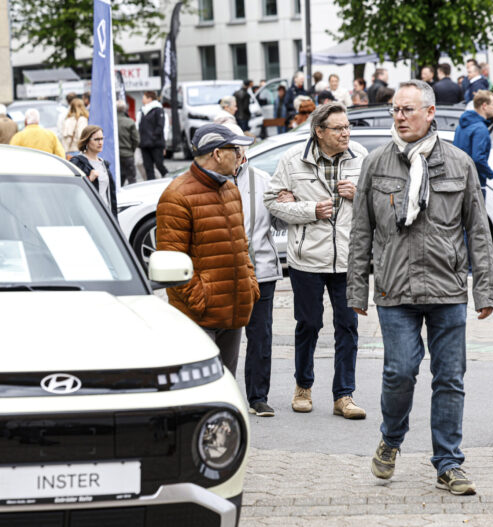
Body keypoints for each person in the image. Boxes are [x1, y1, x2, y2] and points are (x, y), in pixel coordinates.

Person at [347, 80, 493, 496]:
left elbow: (477, 231)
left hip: (448, 290)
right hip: (395, 291)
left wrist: (485, 290)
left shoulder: (459, 163)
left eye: (408, 110)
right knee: (400, 372)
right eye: (395, 109)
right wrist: (356, 290)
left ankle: (448, 463)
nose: (399, 116)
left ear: (430, 113)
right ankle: (391, 440)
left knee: (449, 378)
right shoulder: (376, 164)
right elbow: (361, 231)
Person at [264, 102, 368, 419]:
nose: (345, 133)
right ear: (319, 131)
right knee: (308, 325)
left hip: (349, 258)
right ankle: (303, 386)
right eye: (338, 128)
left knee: (348, 326)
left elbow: (380, 200)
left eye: (347, 127)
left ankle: (344, 396)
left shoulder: (361, 157)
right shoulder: (292, 160)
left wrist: (359, 192)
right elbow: (272, 201)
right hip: (307, 259)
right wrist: (309, 210)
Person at [156, 124, 258, 375]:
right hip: (200, 316)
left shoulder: (230, 190)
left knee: (227, 385)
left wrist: (249, 285)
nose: (240, 155)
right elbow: (172, 264)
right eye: (234, 149)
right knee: (202, 388)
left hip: (232, 311)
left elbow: (241, 246)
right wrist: (202, 300)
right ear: (216, 154)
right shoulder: (177, 196)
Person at [231, 130, 284, 417]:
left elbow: (280, 223)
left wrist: (287, 203)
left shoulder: (263, 181)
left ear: (241, 154)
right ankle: (223, 394)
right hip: (223, 273)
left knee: (260, 335)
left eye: (232, 150)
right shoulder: (208, 183)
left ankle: (258, 397)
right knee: (224, 337)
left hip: (260, 270)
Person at [454, 90, 493, 196]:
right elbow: (478, 159)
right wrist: (492, 174)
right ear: (484, 106)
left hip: (460, 181)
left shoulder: (461, 126)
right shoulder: (481, 129)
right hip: (476, 184)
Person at [69, 125, 117, 216]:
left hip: (106, 214)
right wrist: (88, 179)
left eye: (102, 139)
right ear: (86, 141)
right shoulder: (77, 162)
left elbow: (110, 196)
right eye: (96, 139)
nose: (100, 142)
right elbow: (70, 190)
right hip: (88, 215)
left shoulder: (103, 164)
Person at [139, 90, 168, 180]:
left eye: (144, 97)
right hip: (144, 144)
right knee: (148, 167)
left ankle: (169, 179)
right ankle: (151, 184)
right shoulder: (143, 111)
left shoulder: (158, 110)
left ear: (149, 99)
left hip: (156, 143)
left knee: (159, 164)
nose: (142, 100)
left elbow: (160, 126)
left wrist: (153, 137)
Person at [116, 99, 140, 186]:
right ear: (125, 109)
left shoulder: (112, 122)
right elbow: (136, 139)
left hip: (116, 155)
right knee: (132, 179)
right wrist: (131, 149)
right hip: (128, 154)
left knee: (118, 180)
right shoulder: (130, 122)